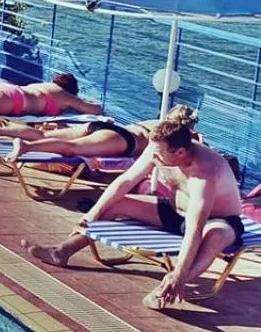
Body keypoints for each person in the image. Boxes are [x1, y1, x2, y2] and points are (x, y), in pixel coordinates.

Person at [22, 106, 248, 309]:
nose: (153, 157)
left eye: (158, 154)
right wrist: (90, 216)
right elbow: (125, 181)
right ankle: (61, 252)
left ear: (180, 152)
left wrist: (179, 271)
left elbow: (195, 227)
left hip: (217, 220)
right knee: (118, 203)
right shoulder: (159, 148)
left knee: (214, 237)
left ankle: (168, 288)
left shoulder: (203, 172)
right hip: (175, 212)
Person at [0, 115, 156, 158]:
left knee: (43, 134)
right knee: (72, 149)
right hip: (123, 140)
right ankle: (26, 147)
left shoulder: (154, 121)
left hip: (106, 127)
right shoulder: (168, 131)